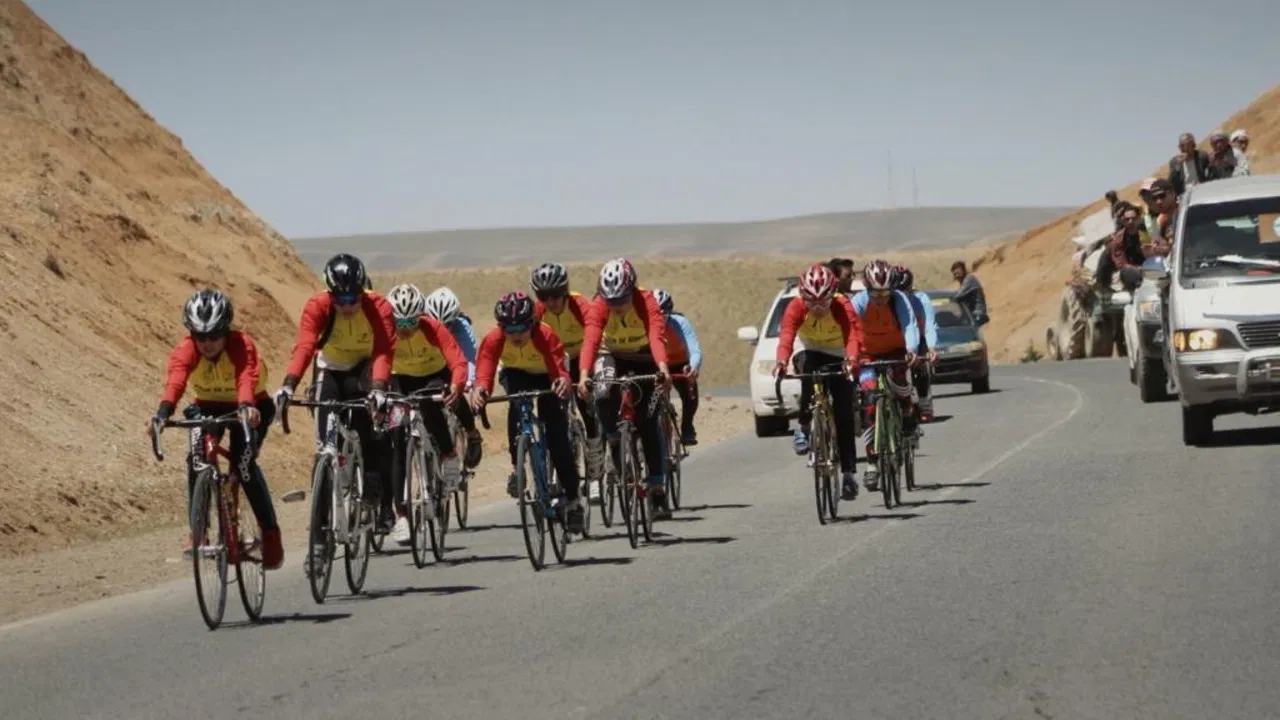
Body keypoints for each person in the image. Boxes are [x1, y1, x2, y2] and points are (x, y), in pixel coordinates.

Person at [149, 289, 284, 569]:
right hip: (207, 406)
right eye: (200, 336)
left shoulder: (241, 345)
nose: (207, 343)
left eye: (214, 336)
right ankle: (198, 531)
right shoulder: (186, 349)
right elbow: (175, 382)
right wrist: (162, 415)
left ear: (226, 331)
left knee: (243, 466)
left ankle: (270, 534)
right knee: (196, 459)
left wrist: (247, 406)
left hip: (250, 405)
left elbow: (246, 378)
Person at [274, 253, 398, 536]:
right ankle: (318, 533)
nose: (348, 306)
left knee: (370, 431)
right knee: (324, 449)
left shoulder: (378, 306)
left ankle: (374, 485)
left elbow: (383, 351)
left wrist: (379, 389)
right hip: (331, 371)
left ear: (362, 292)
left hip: (366, 370)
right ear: (330, 293)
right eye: (340, 300)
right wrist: (289, 384)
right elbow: (305, 346)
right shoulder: (317, 306)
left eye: (354, 298)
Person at [470, 291, 584, 534]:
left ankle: (574, 500)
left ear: (532, 322)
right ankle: (517, 464)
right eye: (509, 329)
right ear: (500, 327)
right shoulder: (493, 339)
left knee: (557, 439)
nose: (516, 335)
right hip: (516, 373)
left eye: (522, 327)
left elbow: (558, 369)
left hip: (547, 375)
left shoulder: (545, 335)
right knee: (516, 404)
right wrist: (480, 391)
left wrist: (563, 382)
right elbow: (485, 371)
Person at [576, 257, 674, 516]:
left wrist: (663, 368)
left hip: (643, 356)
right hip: (612, 355)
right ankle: (614, 439)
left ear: (632, 291)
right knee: (603, 395)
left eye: (621, 301)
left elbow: (656, 335)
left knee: (647, 420)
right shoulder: (599, 305)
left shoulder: (647, 301)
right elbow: (592, 339)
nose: (616, 308)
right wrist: (584, 374)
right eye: (611, 302)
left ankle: (656, 488)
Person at [385, 283, 469, 545]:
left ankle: (448, 453)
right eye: (400, 322)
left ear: (421, 316)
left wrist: (456, 385)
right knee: (397, 440)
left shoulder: (434, 328)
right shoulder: (386, 332)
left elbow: (457, 360)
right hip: (401, 379)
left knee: (431, 404)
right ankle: (401, 515)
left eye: (412, 321)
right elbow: (375, 361)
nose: (406, 328)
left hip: (434, 375)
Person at [774, 263, 865, 499]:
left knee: (843, 410)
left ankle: (848, 475)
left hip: (837, 352)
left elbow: (854, 335)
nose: (816, 308)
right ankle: (804, 426)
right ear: (803, 296)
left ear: (832, 296)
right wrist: (782, 361)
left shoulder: (842, 305)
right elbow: (786, 336)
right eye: (810, 303)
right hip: (810, 348)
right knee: (808, 372)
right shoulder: (795, 306)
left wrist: (852, 360)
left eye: (822, 303)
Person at [529, 261, 605, 484]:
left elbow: (593, 337)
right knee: (549, 408)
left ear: (564, 292)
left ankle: (594, 448)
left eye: (555, 296)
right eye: (544, 297)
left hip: (582, 354)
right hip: (556, 359)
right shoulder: (539, 312)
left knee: (584, 401)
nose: (550, 302)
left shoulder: (580, 305)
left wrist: (584, 376)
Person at [850, 260, 920, 493]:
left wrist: (911, 349)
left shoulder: (899, 300)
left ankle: (908, 414)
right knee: (869, 403)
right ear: (867, 289)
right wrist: (850, 358)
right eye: (875, 293)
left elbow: (910, 325)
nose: (881, 298)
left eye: (885, 293)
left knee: (902, 386)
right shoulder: (858, 303)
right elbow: (849, 332)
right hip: (868, 354)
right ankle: (871, 463)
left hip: (896, 351)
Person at [422, 286, 484, 471]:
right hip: (432, 367)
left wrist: (470, 385)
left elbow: (471, 359)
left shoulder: (462, 327)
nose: (443, 328)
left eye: (448, 323)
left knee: (456, 394)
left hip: (455, 367)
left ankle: (472, 434)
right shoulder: (421, 325)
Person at [653, 288, 702, 446]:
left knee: (690, 395)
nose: (659, 320)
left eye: (663, 316)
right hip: (659, 365)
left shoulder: (680, 323)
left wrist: (693, 367)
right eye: (655, 316)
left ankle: (687, 428)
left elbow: (695, 349)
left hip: (681, 364)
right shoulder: (646, 327)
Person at [892, 266, 938, 422]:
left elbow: (929, 326)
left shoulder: (921, 299)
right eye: (897, 292)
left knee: (920, 369)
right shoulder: (888, 300)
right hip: (896, 340)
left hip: (919, 338)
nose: (901, 297)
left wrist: (931, 348)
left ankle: (925, 403)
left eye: (905, 291)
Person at [951, 261, 988, 326]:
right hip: (971, 313)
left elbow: (958, 296)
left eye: (958, 273)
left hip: (977, 312)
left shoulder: (969, 279)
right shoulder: (964, 282)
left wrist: (949, 300)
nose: (957, 276)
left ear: (963, 271)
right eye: (955, 274)